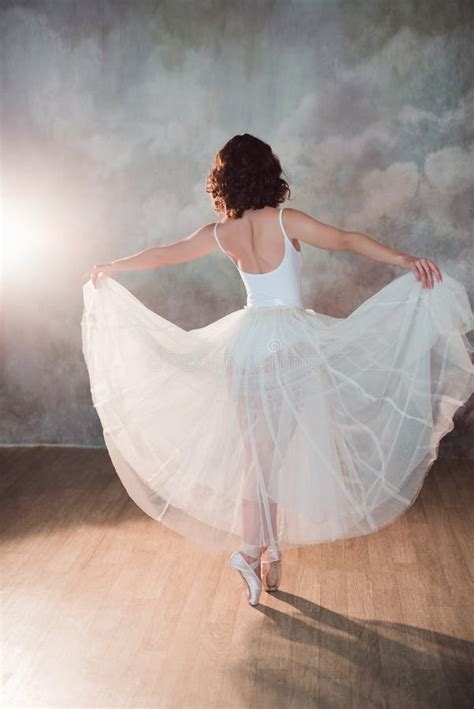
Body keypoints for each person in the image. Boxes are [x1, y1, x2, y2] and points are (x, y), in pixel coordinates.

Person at [82, 133, 474, 607]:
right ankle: (250, 551)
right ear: (268, 172)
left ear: (225, 179)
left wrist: (112, 267)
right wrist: (404, 259)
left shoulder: (223, 233)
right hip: (289, 346)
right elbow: (347, 240)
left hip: (246, 348)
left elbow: (165, 253)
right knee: (272, 459)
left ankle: (267, 550)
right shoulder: (287, 219)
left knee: (258, 458)